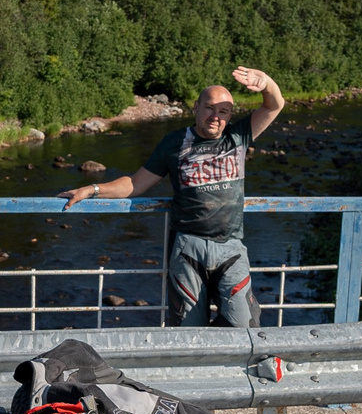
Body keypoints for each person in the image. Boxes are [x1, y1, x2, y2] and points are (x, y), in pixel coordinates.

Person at [59, 67, 284, 326]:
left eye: (223, 112)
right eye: (210, 108)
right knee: (189, 328)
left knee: (244, 324)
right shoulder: (174, 143)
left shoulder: (238, 136)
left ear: (229, 115)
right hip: (188, 248)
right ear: (196, 106)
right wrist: (93, 189)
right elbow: (135, 183)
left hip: (230, 247)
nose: (216, 117)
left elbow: (273, 106)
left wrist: (266, 83)